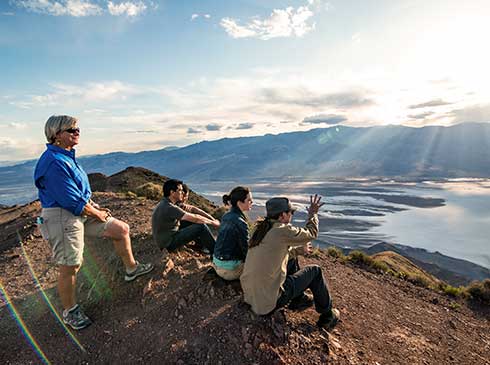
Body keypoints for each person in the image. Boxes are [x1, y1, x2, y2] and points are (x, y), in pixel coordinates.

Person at [34, 115, 154, 330]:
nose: (77, 132)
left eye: (77, 128)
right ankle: (70, 311)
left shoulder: (67, 157)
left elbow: (80, 193)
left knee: (121, 229)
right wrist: (95, 213)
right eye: (71, 129)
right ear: (56, 135)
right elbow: (69, 200)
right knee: (70, 263)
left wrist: (94, 206)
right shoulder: (53, 162)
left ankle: (131, 269)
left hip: (80, 212)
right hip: (62, 217)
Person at [240, 195, 339, 330]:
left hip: (251, 297)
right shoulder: (282, 230)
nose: (292, 215)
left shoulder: (260, 228)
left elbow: (275, 252)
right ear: (282, 215)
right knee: (315, 271)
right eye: (290, 212)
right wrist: (312, 214)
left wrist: (297, 251)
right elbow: (311, 233)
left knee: (291, 260)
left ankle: (298, 300)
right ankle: (327, 316)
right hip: (268, 303)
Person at [152, 179, 220, 255]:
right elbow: (196, 218)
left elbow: (193, 209)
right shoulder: (169, 207)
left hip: (165, 239)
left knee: (189, 221)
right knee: (201, 227)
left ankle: (201, 245)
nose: (182, 193)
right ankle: (217, 253)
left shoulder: (167, 203)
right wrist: (213, 222)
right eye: (180, 190)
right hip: (168, 244)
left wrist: (212, 219)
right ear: (172, 192)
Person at [213, 187, 253, 280]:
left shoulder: (226, 215)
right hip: (229, 271)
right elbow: (245, 250)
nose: (252, 202)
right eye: (249, 200)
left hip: (216, 264)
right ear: (239, 203)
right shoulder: (240, 222)